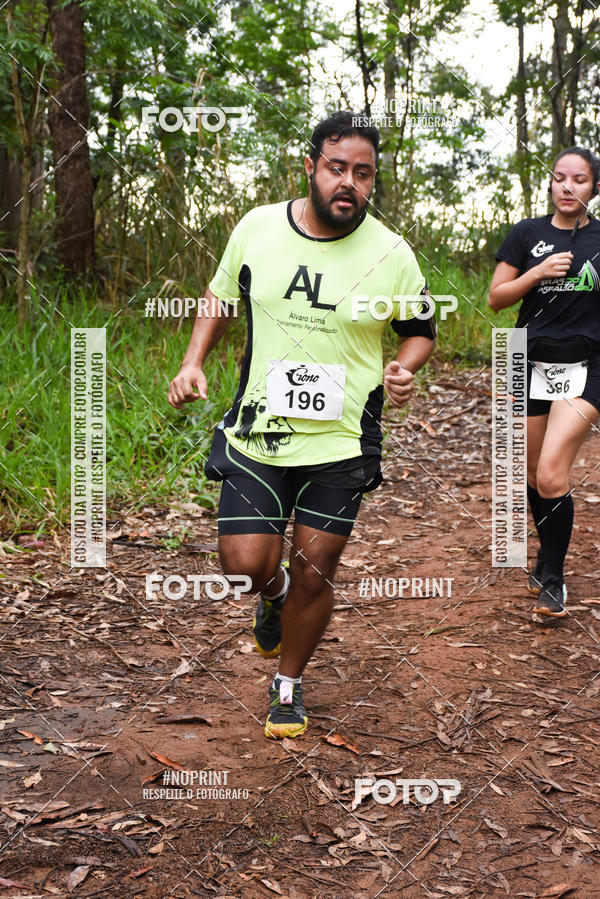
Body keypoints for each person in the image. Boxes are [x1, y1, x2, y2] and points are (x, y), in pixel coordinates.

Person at [168, 111, 436, 738]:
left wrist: (402, 368)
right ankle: (272, 592)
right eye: (338, 168)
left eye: (363, 174)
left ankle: (287, 683)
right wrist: (192, 361)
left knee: (318, 569)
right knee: (243, 564)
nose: (349, 182)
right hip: (260, 431)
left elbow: (420, 331)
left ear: (373, 182)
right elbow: (219, 295)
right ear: (311, 166)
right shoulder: (258, 227)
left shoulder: (392, 254)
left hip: (342, 440)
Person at [489, 146, 600, 620]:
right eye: (559, 178)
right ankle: (544, 555)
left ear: (594, 187)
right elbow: (496, 299)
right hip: (526, 359)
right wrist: (536, 272)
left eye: (579, 179)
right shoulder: (527, 234)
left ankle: (552, 578)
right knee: (534, 475)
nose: (567, 186)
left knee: (553, 472)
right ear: (550, 184)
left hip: (587, 364)